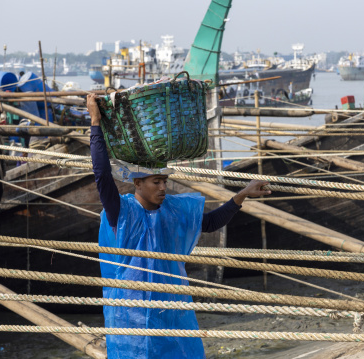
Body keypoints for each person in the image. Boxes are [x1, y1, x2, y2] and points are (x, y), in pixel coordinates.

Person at [87, 93, 271, 359]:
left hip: (170, 310)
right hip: (131, 316)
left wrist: (241, 195)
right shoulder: (122, 212)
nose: (163, 187)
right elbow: (102, 174)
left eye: (164, 181)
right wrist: (95, 120)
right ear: (138, 183)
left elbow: (209, 223)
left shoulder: (173, 210)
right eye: (156, 182)